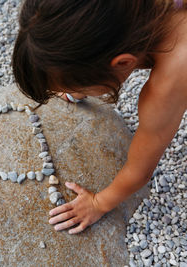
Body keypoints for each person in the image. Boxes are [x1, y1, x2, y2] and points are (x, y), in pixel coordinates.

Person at [11, 0, 187, 234]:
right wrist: (79, 81)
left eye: (74, 83)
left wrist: (99, 203)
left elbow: (140, 169)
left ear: (123, 62)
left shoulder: (170, 82)